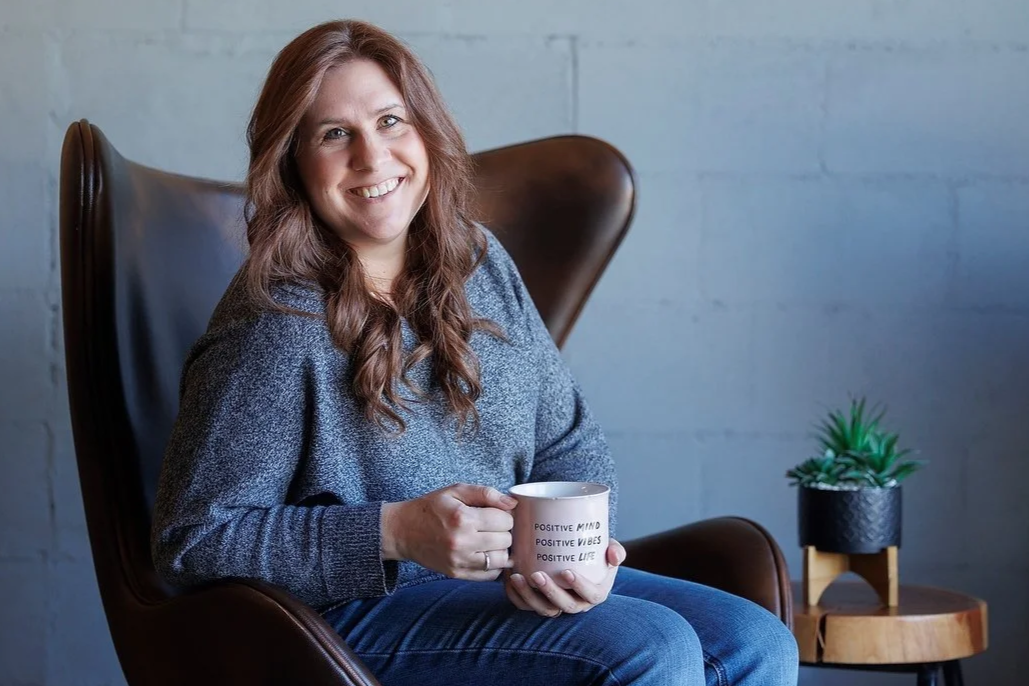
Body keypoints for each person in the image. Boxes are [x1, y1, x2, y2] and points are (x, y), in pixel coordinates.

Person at [150, 18, 799, 686]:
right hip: (347, 618)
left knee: (756, 641)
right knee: (649, 646)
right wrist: (393, 532)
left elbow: (570, 443)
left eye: (391, 121)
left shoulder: (479, 262)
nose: (372, 158)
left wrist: (577, 554)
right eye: (335, 134)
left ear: (425, 131)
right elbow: (193, 541)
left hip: (501, 584)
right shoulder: (276, 320)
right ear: (293, 160)